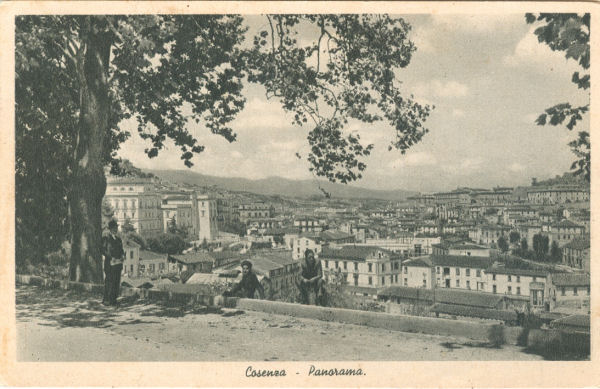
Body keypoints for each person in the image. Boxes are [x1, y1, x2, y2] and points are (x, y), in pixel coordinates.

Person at [102, 219, 124, 306]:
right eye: (114, 228)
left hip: (118, 264)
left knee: (116, 281)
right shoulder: (106, 238)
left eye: (116, 228)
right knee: (109, 281)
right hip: (110, 264)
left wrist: (122, 256)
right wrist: (111, 257)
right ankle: (107, 299)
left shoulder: (118, 239)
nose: (115, 229)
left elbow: (121, 250)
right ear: (110, 229)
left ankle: (113, 299)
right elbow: (103, 250)